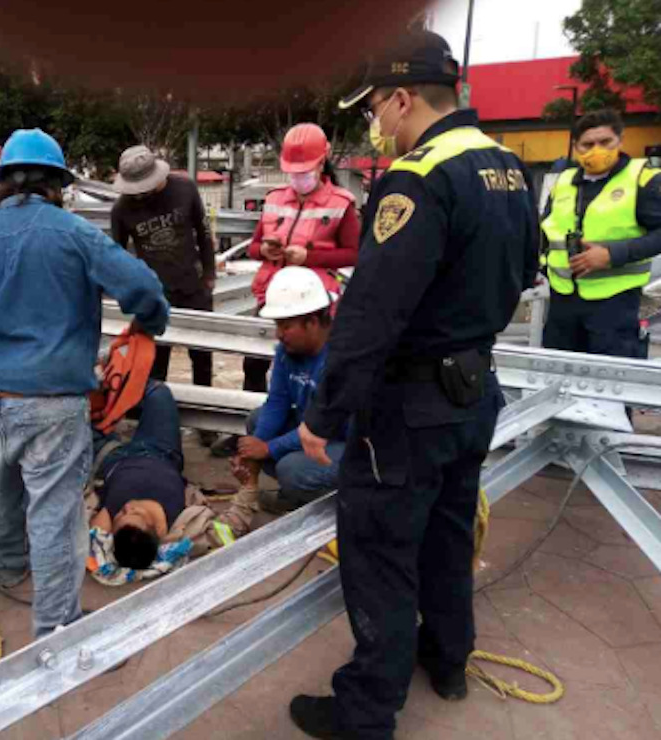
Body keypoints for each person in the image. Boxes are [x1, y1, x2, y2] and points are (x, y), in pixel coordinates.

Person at [291, 31, 539, 740]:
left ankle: (366, 712)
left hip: (408, 407)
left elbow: (371, 313)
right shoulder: (505, 167)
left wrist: (324, 413)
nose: (376, 122)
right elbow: (527, 268)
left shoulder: (418, 176)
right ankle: (448, 659)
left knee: (381, 554)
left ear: (403, 98)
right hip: (474, 388)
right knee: (448, 535)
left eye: (375, 107)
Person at [0, 128, 170, 638]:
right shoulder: (74, 234)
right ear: (57, 185)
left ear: (1, 184)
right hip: (49, 403)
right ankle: (56, 631)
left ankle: (9, 566)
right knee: (56, 518)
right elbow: (144, 288)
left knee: (5, 483)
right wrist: (149, 322)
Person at [213, 123, 360, 458]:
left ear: (321, 164)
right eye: (293, 172)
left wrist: (309, 257)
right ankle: (260, 436)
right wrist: (266, 250)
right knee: (257, 366)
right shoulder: (276, 199)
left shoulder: (341, 203)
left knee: (311, 372)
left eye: (304, 171)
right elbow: (253, 247)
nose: (298, 178)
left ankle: (311, 435)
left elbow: (354, 253)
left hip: (312, 303)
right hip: (273, 296)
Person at [541, 109, 661, 358]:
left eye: (605, 142)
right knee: (558, 374)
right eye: (588, 144)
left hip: (614, 305)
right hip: (563, 301)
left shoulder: (642, 179)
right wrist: (541, 265)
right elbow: (545, 231)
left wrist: (612, 254)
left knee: (609, 376)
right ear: (576, 147)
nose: (597, 150)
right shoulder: (563, 181)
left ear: (620, 141)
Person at [110, 146, 217, 424]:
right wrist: (132, 293)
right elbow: (117, 256)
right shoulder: (122, 209)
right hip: (155, 293)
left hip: (193, 286)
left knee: (201, 357)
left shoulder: (185, 189)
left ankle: (206, 422)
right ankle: (156, 420)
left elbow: (204, 233)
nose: (142, 195)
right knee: (155, 361)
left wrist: (209, 275)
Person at [236, 266, 346, 514]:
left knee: (291, 470)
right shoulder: (288, 353)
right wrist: (254, 447)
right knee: (257, 421)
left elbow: (327, 425)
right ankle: (296, 495)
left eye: (285, 327)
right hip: (316, 430)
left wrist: (268, 448)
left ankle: (345, 507)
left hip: (349, 443)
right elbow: (277, 402)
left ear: (312, 322)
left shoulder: (340, 358)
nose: (279, 334)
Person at [90, 380, 188, 569]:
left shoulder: (115, 517)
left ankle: (105, 384)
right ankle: (116, 380)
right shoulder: (171, 519)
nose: (128, 507)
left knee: (73, 409)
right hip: (160, 449)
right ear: (158, 529)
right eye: (136, 513)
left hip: (109, 457)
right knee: (158, 392)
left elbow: (96, 535)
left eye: (122, 514)